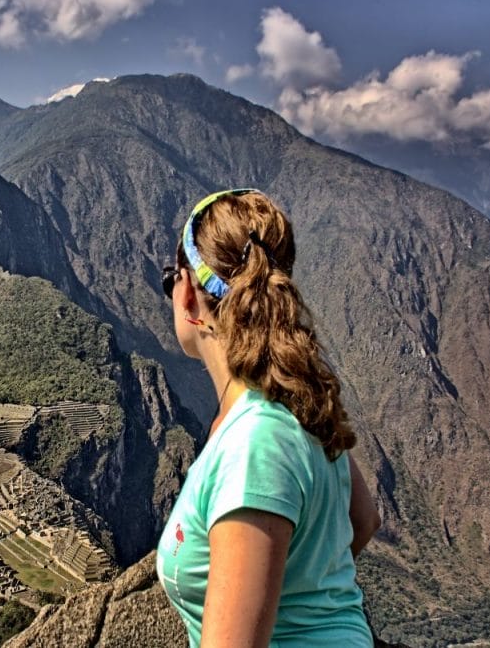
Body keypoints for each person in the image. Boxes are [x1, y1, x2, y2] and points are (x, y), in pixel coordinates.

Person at [155, 188, 381, 647]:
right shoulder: (297, 399)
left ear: (188, 296)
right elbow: (364, 521)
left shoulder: (255, 444)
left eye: (170, 279)